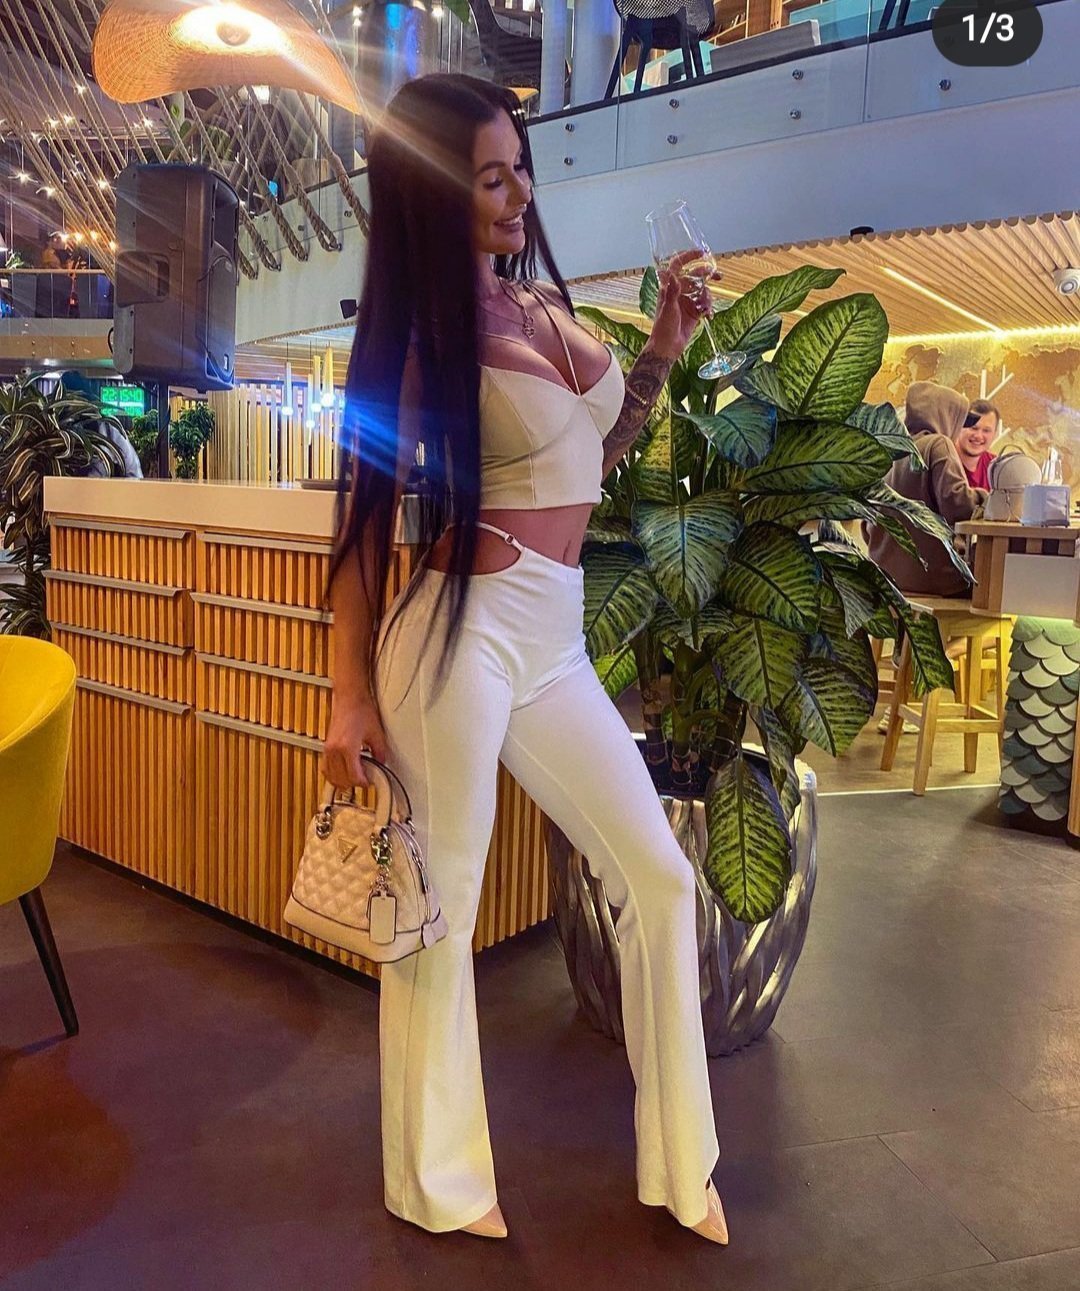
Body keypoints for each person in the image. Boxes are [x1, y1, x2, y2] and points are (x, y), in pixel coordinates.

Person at [320, 74, 727, 1246]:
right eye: (489, 177)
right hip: (460, 634)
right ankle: (436, 1180)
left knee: (660, 876)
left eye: (520, 170)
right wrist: (348, 695)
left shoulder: (540, 306)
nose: (517, 195)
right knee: (441, 912)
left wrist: (666, 339)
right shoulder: (415, 341)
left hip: (553, 633)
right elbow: (360, 531)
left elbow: (602, 448)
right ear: (432, 194)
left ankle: (685, 1163)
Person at [868, 381, 987, 597]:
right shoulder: (937, 444)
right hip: (934, 581)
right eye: (958, 421)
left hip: (886, 580)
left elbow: (867, 526)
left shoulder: (890, 451)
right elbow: (958, 505)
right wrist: (985, 498)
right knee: (997, 588)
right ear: (945, 416)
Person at [954, 398, 999, 489]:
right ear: (959, 426)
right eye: (974, 428)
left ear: (994, 434)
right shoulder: (942, 459)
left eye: (986, 430)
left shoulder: (996, 467)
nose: (978, 436)